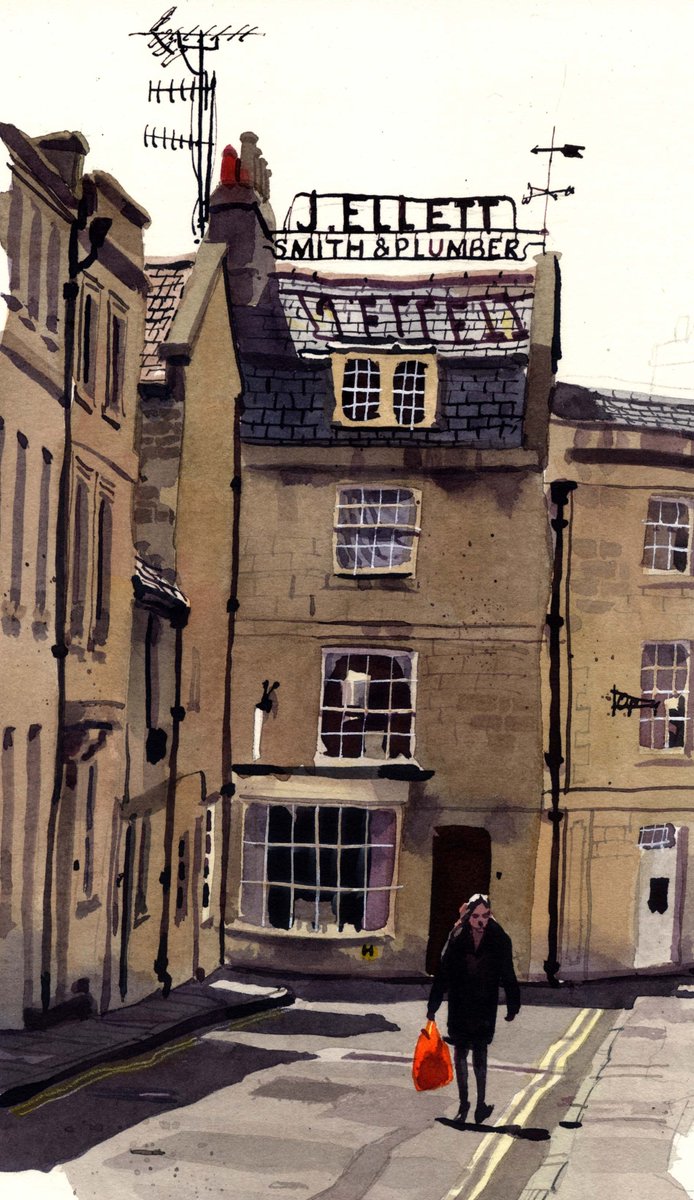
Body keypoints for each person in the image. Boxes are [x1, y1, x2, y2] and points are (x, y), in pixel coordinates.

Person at [426, 893, 520, 1125]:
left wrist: (513, 1004)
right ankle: (464, 1102)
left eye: (485, 916)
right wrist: (433, 1005)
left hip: (484, 1004)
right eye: (476, 916)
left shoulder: (499, 939)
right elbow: (443, 973)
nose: (481, 921)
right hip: (460, 1002)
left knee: (480, 1054)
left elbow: (508, 973)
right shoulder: (457, 937)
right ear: (468, 917)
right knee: (460, 1053)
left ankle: (480, 1105)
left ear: (490, 916)